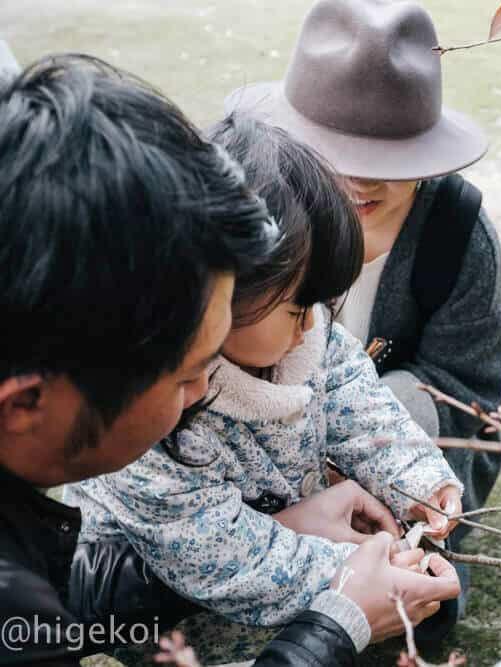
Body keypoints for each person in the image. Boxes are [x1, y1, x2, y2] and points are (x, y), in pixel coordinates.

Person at [0, 53, 459, 667]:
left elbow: (362, 404)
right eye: (189, 373)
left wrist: (415, 479)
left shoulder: (297, 338)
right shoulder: (142, 445)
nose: (196, 395)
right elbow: (221, 559)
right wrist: (349, 594)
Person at [227, 0, 501, 639]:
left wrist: (406, 486)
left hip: (393, 443)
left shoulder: (458, 236)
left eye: (387, 157)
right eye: (333, 149)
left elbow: (469, 401)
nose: (356, 176)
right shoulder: (243, 206)